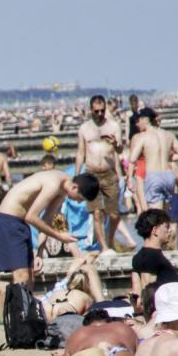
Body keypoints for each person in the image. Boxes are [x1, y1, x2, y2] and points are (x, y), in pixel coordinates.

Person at [0, 170, 99, 288]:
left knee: (30, 278)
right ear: (74, 187)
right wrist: (59, 236)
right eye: (80, 198)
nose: (78, 201)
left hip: (20, 224)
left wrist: (40, 252)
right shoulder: (53, 184)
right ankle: (17, 306)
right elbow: (31, 217)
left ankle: (26, 306)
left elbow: (46, 220)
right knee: (22, 277)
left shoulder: (62, 190)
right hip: (8, 221)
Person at [75, 95, 124, 253]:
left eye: (102, 110)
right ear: (91, 110)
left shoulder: (114, 126)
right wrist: (77, 177)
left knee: (114, 214)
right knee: (96, 213)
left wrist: (115, 143)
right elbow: (80, 153)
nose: (100, 114)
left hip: (109, 174)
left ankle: (109, 241)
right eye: (96, 111)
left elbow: (120, 150)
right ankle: (104, 247)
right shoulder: (84, 128)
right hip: (91, 175)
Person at [127, 108, 178, 211]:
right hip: (167, 174)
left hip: (147, 172)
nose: (138, 123)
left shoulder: (140, 137)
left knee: (148, 212)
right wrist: (167, 158)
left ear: (147, 120)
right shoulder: (167, 134)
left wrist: (129, 177)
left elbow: (132, 159)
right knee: (165, 215)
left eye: (140, 120)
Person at [131, 208, 178, 300]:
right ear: (155, 230)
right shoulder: (152, 257)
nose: (170, 230)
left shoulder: (137, 257)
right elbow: (148, 294)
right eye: (167, 227)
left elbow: (136, 292)